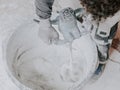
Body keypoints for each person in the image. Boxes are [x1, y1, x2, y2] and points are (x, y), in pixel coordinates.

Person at [35, 0, 120, 77]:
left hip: (114, 13)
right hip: (79, 3)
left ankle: (101, 57)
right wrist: (44, 23)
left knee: (102, 36)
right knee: (72, 11)